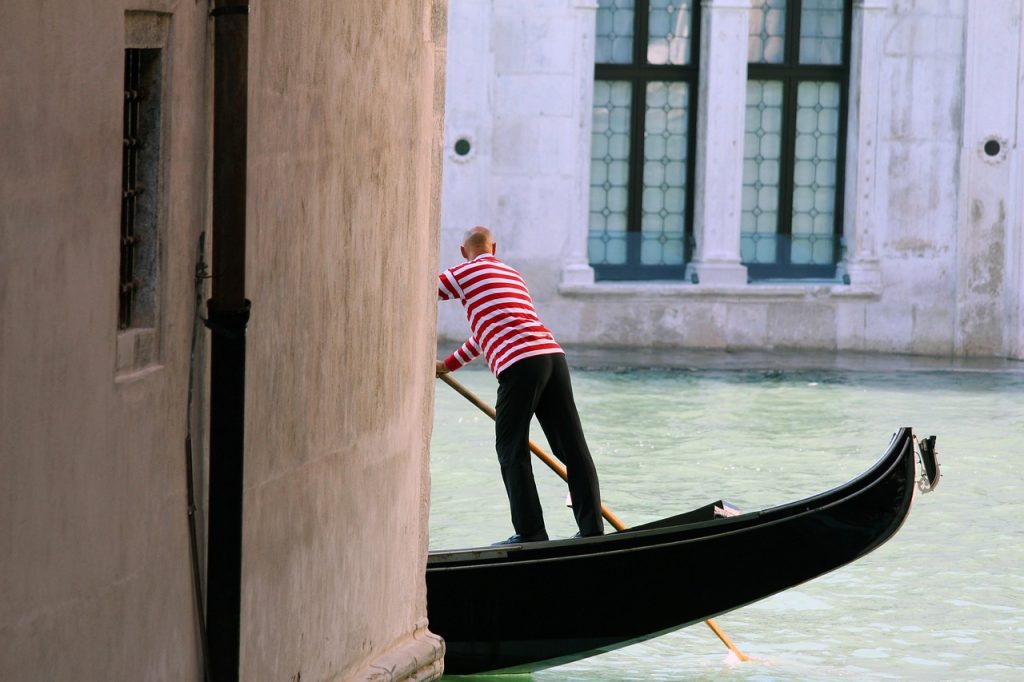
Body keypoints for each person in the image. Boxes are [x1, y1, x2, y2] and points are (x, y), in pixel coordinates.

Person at [436, 226, 604, 545]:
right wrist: (448, 365)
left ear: (463, 252)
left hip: (520, 364)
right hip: (552, 357)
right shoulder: (513, 275)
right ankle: (593, 529)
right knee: (572, 448)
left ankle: (531, 532)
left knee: (510, 447)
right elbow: (483, 337)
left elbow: (425, 288)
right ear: (494, 248)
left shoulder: (466, 271)